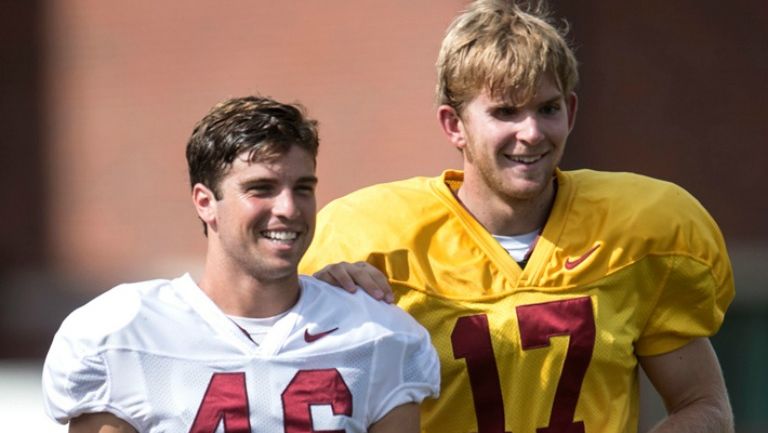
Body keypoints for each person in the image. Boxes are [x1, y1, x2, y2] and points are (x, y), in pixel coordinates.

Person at [300, 1, 735, 432]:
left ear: (572, 111)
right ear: (454, 125)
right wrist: (320, 303)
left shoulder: (637, 230)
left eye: (547, 108)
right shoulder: (373, 241)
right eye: (505, 111)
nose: (531, 133)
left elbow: (704, 406)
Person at [42, 96, 440, 433]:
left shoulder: (377, 334)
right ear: (204, 202)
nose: (288, 208)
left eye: (303, 189)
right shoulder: (124, 334)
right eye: (261, 189)